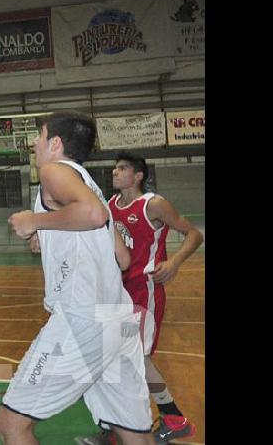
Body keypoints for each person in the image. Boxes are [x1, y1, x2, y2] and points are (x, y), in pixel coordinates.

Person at [0, 112, 155, 445]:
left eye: (39, 137)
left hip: (83, 321)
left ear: (55, 143)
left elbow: (92, 216)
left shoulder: (53, 171)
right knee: (132, 432)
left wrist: (34, 219)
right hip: (119, 320)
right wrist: (50, 234)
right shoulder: (92, 186)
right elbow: (122, 257)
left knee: (11, 425)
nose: (33, 144)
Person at [105, 152, 204, 444]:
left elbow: (194, 234)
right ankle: (126, 422)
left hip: (143, 292)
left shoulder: (154, 205)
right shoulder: (111, 206)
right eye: (115, 168)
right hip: (117, 292)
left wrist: (173, 263)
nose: (115, 172)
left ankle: (169, 418)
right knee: (120, 357)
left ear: (138, 176)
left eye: (122, 168)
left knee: (135, 357)